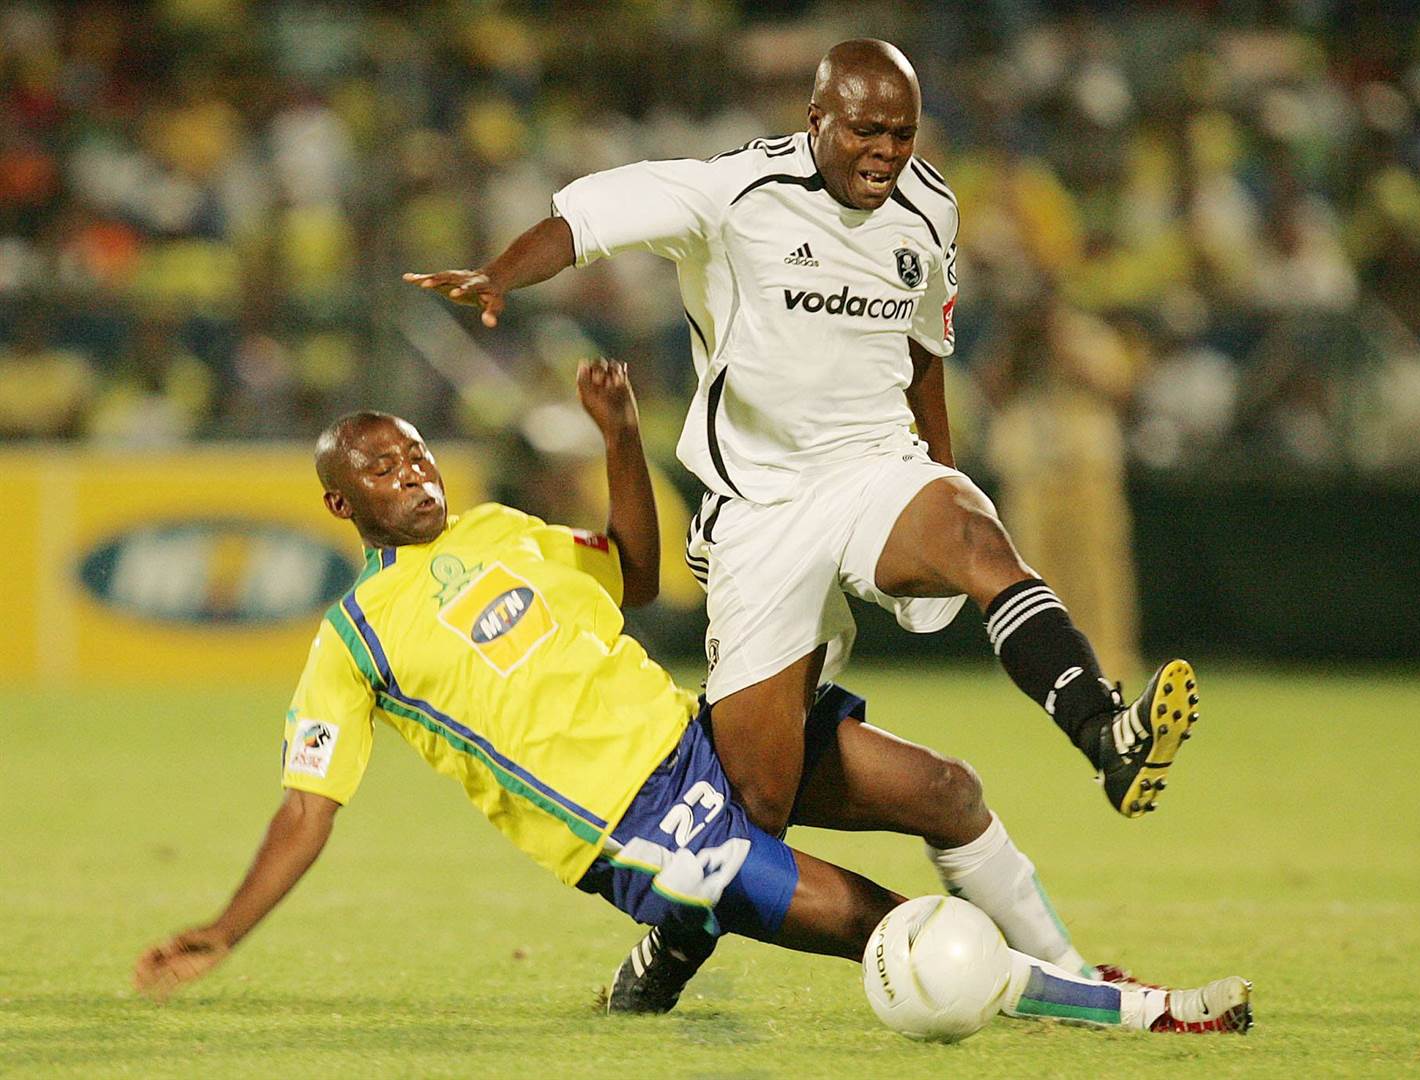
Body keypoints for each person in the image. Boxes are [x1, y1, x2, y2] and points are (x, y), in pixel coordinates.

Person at [131, 360, 1252, 1036]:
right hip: (644, 834)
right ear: (341, 502)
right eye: (382, 467)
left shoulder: (499, 533)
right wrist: (224, 931)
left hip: (702, 739)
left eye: (418, 454)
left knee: (948, 790)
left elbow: (634, 572)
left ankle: (1066, 969)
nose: (414, 473)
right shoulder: (353, 640)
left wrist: (623, 441)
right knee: (896, 931)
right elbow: (306, 809)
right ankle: (1148, 1014)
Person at [403, 39, 1200, 852]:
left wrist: (941, 472)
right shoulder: (734, 192)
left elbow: (925, 353)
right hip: (763, 508)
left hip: (871, 468)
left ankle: (1103, 732)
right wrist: (501, 273)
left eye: (903, 133)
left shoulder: (931, 210)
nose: (887, 151)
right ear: (816, 119)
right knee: (758, 794)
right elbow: (590, 222)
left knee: (974, 534)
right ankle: (669, 946)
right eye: (866, 131)